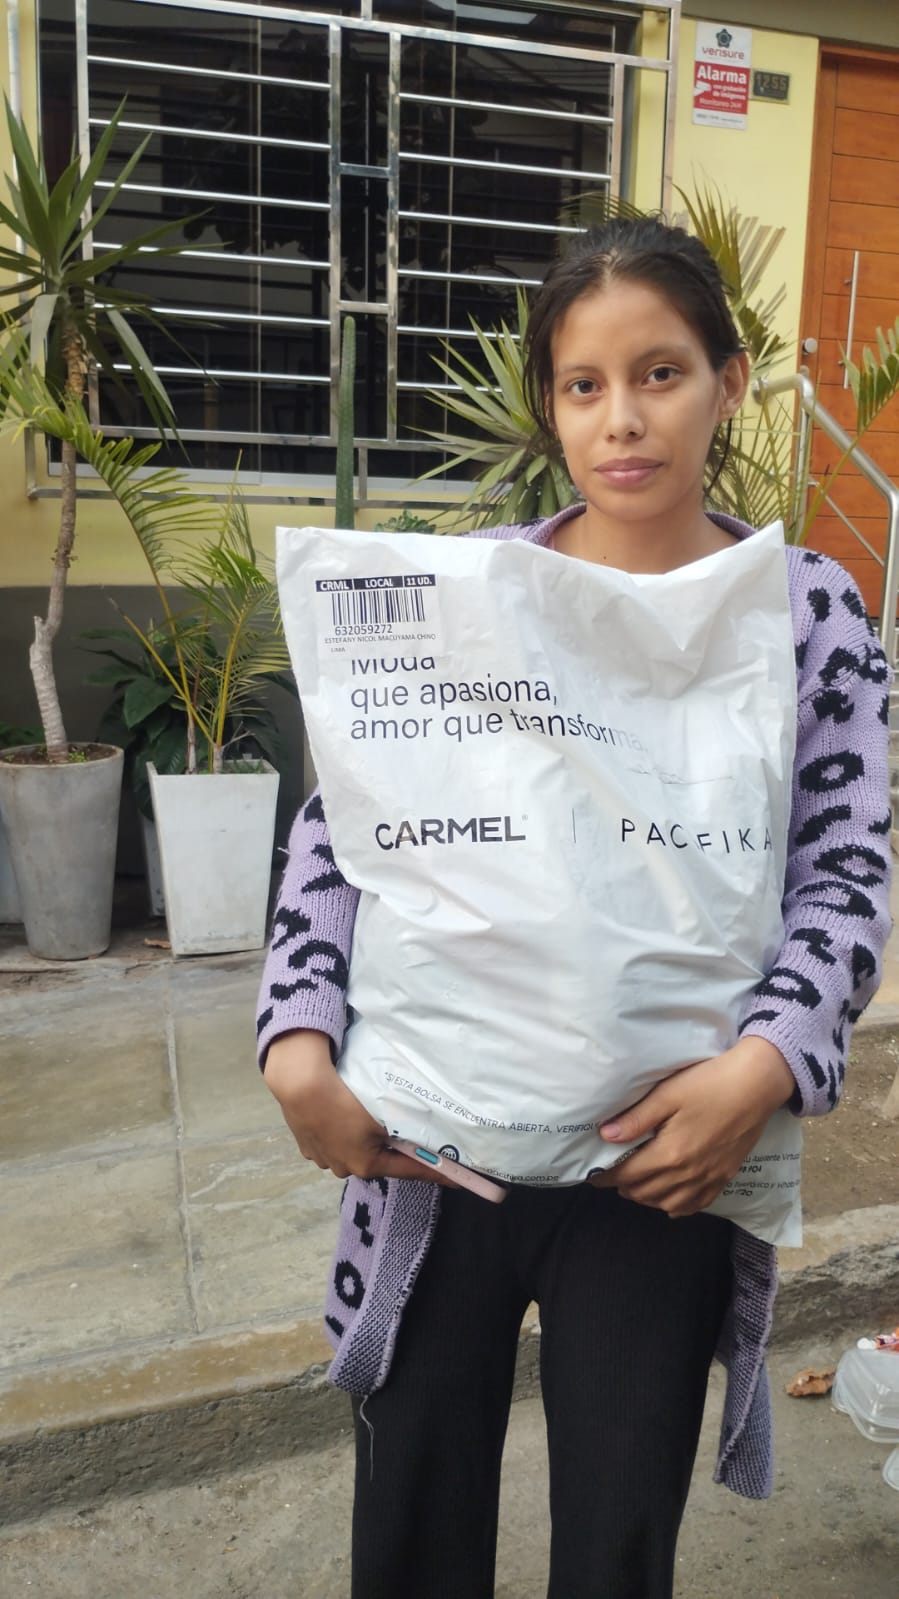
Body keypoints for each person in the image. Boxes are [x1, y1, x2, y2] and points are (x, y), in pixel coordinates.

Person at [256, 216, 892, 1599]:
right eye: (585, 384)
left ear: (729, 381)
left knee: (617, 1534)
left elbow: (845, 869)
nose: (623, 419)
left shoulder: (806, 614)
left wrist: (760, 1071)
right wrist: (297, 1043)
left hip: (661, 1163)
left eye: (661, 373)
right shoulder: (468, 594)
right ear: (549, 406)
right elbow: (342, 830)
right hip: (431, 1154)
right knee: (414, 1518)